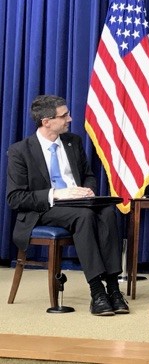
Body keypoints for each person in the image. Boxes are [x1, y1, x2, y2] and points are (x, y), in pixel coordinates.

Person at [6, 94, 128, 316]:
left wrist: (88, 189)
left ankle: (114, 288)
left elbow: (89, 175)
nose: (70, 119)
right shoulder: (20, 151)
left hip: (80, 202)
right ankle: (97, 291)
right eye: (64, 116)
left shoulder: (73, 141)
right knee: (85, 218)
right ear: (46, 121)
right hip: (46, 208)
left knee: (109, 212)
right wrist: (58, 193)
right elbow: (16, 198)